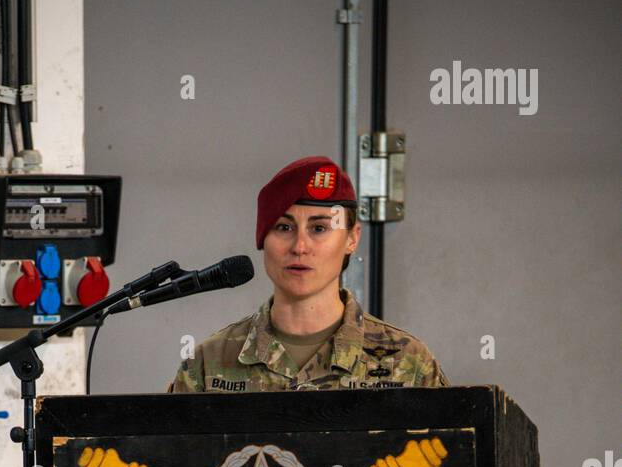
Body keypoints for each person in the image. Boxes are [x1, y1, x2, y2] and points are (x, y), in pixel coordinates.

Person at [168, 156, 448, 395]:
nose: (300, 247)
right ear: (262, 238)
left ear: (352, 238)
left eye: (319, 228)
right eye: (283, 227)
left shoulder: (408, 363)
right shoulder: (208, 363)